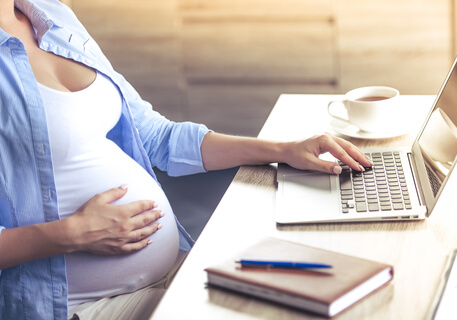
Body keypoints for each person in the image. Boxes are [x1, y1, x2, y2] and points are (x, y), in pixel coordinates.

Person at [0, 0, 373, 319]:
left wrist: (281, 151)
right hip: (83, 306)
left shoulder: (51, 14)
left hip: (173, 265)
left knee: (327, 283)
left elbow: (156, 136)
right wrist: (72, 234)